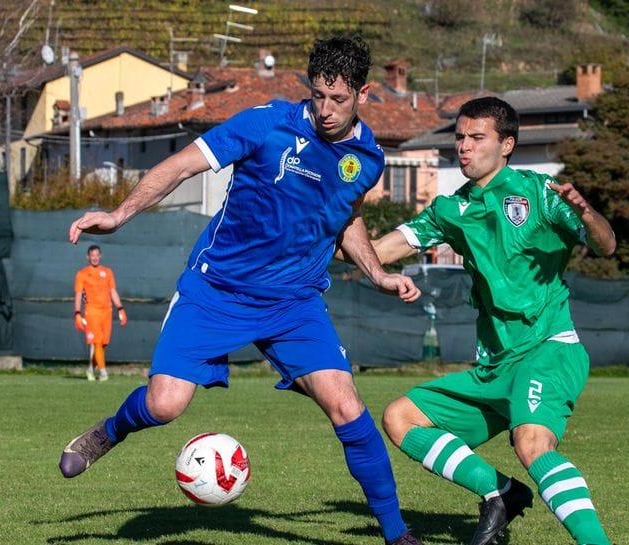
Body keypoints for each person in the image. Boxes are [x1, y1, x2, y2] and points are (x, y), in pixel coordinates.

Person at [59, 36, 423, 545]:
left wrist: (377, 273)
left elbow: (347, 219)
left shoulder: (367, 158)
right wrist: (120, 214)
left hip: (294, 302)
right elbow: (182, 164)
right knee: (165, 406)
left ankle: (396, 533)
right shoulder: (266, 122)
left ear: (362, 93)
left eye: (338, 99)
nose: (325, 109)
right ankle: (109, 431)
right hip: (217, 290)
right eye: (318, 95)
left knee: (347, 406)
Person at [359, 96, 616, 545]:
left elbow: (607, 244)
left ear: (506, 145)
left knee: (532, 443)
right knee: (401, 417)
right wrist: (325, 226)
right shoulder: (449, 211)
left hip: (547, 349)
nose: (464, 147)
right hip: (494, 367)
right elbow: (375, 252)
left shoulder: (539, 193)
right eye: (460, 137)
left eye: (477, 138)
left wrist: (587, 211)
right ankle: (500, 492)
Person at [73, 244, 127, 381]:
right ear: (88, 257)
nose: (95, 258)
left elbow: (112, 291)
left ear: (100, 256)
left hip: (107, 312)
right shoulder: (82, 274)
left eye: (97, 255)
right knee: (96, 342)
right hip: (92, 312)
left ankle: (91, 369)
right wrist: (77, 313)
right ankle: (103, 373)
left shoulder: (107, 272)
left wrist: (120, 308)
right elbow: (79, 294)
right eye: (92, 255)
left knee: (103, 344)